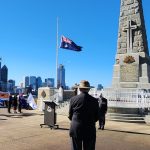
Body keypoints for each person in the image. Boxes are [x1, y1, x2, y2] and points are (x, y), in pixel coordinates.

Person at [68, 80, 99, 150]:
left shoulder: (73, 99)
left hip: (76, 128)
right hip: (89, 128)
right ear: (88, 89)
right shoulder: (94, 101)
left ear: (79, 88)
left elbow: (70, 115)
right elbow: (97, 117)